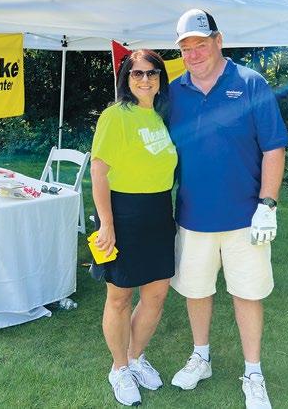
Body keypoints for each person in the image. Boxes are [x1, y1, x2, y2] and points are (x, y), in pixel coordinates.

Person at [168, 9, 288, 409]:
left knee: (247, 294)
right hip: (192, 216)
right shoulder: (174, 91)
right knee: (196, 291)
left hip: (244, 218)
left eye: (200, 44)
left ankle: (253, 372)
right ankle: (200, 357)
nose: (193, 54)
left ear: (219, 41)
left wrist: (267, 204)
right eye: (186, 48)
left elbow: (274, 147)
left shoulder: (251, 83)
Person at [91, 49, 178, 406]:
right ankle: (119, 368)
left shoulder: (162, 116)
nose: (145, 79)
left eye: (152, 73)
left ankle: (136, 357)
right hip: (123, 213)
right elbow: (99, 171)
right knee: (120, 297)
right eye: (137, 73)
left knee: (156, 295)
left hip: (159, 212)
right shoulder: (115, 116)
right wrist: (106, 223)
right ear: (125, 79)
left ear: (160, 78)